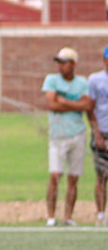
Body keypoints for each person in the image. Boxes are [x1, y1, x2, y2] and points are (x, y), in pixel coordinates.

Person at [42, 47, 94, 227]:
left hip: (77, 135)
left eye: (64, 63)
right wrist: (75, 104)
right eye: (59, 63)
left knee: (74, 178)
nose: (60, 67)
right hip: (58, 136)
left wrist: (63, 101)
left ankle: (67, 217)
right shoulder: (51, 80)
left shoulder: (82, 82)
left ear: (73, 64)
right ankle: (51, 216)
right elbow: (51, 104)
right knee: (55, 176)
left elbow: (87, 104)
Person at [87, 45, 108, 227]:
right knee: (101, 174)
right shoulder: (95, 80)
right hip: (103, 131)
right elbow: (90, 108)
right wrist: (97, 133)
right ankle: (101, 214)